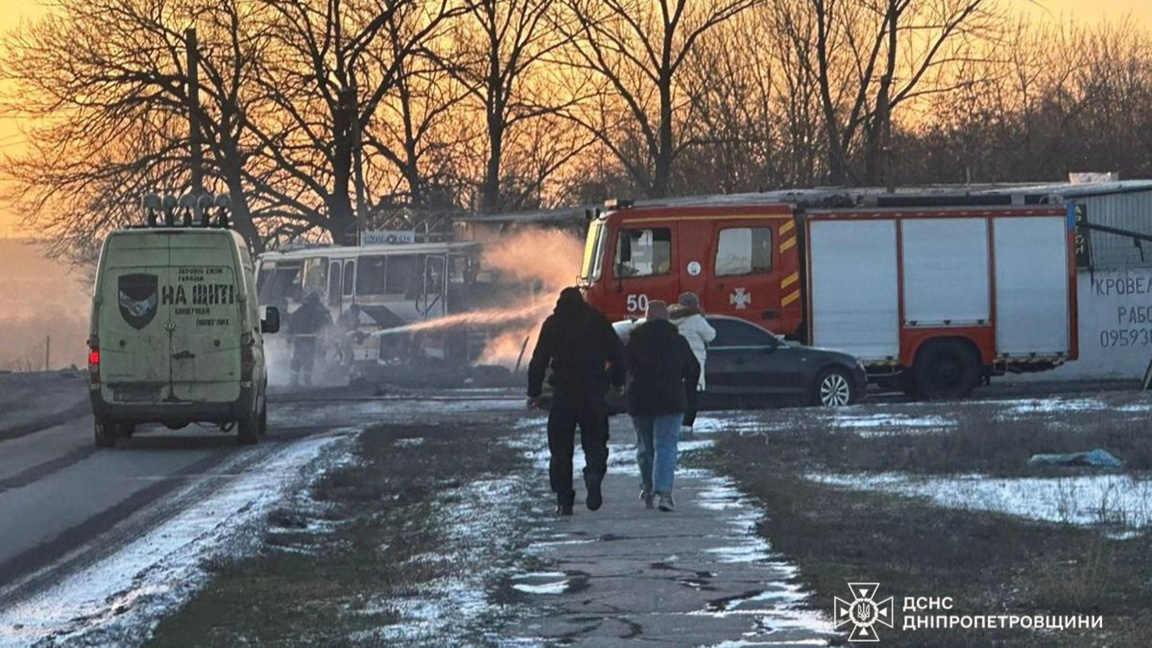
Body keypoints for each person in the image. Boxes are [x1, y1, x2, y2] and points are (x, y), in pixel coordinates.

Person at [528, 287, 626, 516]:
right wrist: (617, 380)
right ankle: (593, 474)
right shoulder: (597, 320)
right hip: (593, 393)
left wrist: (534, 391)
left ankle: (564, 500)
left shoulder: (552, 323)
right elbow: (618, 353)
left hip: (563, 394)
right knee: (596, 441)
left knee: (560, 449)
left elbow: (539, 358)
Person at [625, 300, 700, 512]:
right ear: (668, 318)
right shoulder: (678, 341)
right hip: (671, 399)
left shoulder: (635, 340)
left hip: (640, 401)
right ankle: (665, 494)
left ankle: (648, 488)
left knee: (645, 447)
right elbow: (693, 368)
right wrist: (685, 388)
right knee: (666, 446)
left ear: (647, 317)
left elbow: (625, 367)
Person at [670, 292, 716, 438]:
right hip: (693, 361)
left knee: (677, 394)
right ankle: (686, 427)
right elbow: (710, 335)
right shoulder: (696, 319)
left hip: (674, 362)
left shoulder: (671, 318)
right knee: (691, 396)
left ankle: (676, 424)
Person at [288, 291, 332, 388]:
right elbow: (327, 322)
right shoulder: (318, 311)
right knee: (308, 359)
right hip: (310, 339)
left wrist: (290, 335)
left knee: (297, 358)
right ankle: (306, 381)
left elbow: (290, 323)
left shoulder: (299, 311)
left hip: (299, 339)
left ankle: (294, 380)